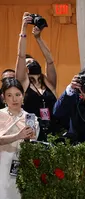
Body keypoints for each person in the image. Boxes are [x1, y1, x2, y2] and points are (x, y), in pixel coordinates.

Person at [0, 79, 39, 199]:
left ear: (23, 96)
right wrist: (17, 136)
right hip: (3, 167)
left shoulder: (30, 116)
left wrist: (31, 136)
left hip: (24, 166)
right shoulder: (0, 116)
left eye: (17, 94)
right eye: (10, 95)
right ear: (3, 98)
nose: (14, 99)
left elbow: (34, 139)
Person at [15, 13, 57, 141]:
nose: (31, 62)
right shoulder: (23, 82)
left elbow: (50, 60)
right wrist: (24, 29)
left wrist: (38, 38)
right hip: (33, 133)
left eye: (32, 60)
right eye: (28, 63)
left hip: (53, 130)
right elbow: (21, 56)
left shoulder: (48, 82)